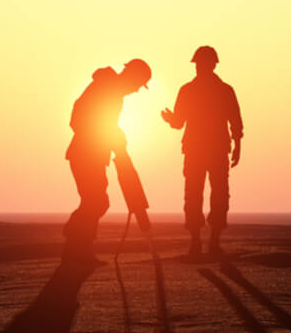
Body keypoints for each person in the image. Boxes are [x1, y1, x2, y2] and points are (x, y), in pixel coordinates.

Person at [64, 58, 152, 264]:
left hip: (95, 155)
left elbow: (105, 123)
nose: (137, 90)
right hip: (84, 154)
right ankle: (74, 241)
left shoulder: (113, 93)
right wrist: (106, 136)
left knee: (95, 201)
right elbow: (78, 118)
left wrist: (114, 135)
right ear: (132, 77)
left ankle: (80, 250)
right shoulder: (104, 88)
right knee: (96, 201)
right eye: (138, 85)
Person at [161, 46, 243, 257]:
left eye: (202, 64)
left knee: (212, 194)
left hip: (210, 150)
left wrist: (237, 145)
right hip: (201, 150)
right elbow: (179, 122)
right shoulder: (199, 90)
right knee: (198, 194)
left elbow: (235, 120)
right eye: (198, 64)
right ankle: (198, 242)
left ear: (212, 65)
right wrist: (171, 119)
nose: (199, 68)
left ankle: (208, 242)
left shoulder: (219, 90)